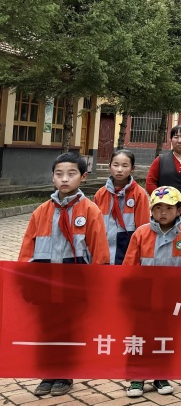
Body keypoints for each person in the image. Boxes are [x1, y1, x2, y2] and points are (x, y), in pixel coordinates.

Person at [19, 152, 110, 397]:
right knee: (46, 328)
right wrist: (26, 281)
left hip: (74, 285)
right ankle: (48, 373)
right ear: (52, 177)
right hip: (46, 284)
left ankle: (65, 374)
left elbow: (100, 252)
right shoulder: (41, 212)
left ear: (83, 177)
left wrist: (96, 286)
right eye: (59, 174)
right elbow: (27, 249)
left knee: (69, 329)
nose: (65, 179)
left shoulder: (90, 211)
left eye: (71, 174)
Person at [123, 186, 181, 397]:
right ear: (151, 210)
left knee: (165, 337)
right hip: (144, 298)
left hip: (170, 299)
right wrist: (130, 293)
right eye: (158, 207)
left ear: (178, 210)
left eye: (169, 208)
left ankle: (161, 376)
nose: (163, 212)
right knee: (140, 337)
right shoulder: (141, 234)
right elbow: (129, 266)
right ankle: (137, 378)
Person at [92, 149, 150, 265]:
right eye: (115, 165)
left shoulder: (139, 194)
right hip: (104, 251)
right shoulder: (100, 194)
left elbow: (143, 227)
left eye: (125, 166)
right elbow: (95, 227)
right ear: (109, 166)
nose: (119, 170)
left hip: (128, 251)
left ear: (132, 168)